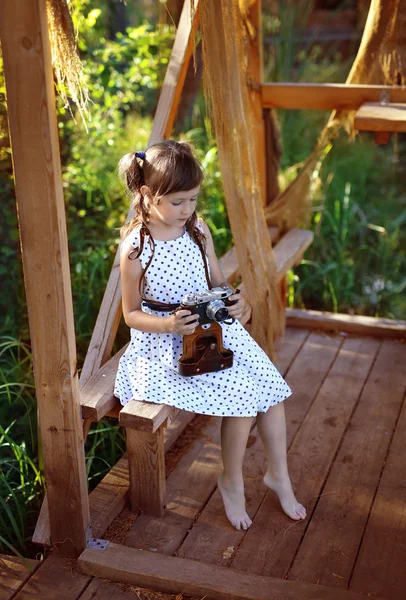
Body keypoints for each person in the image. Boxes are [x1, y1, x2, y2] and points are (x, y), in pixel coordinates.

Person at [114, 140, 306, 530]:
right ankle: (231, 481)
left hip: (211, 330)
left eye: (193, 199)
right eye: (179, 202)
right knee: (242, 396)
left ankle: (278, 475)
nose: (188, 210)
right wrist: (168, 325)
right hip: (165, 345)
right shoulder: (137, 249)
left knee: (273, 389)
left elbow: (219, 283)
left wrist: (239, 305)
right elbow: (131, 315)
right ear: (148, 196)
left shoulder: (198, 230)